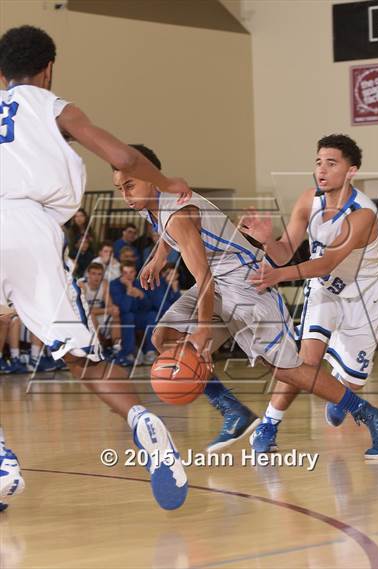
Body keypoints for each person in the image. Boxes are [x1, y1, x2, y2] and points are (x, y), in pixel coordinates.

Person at [0, 25, 191, 511]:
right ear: (48, 68)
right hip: (31, 225)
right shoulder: (54, 106)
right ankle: (143, 424)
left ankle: (2, 460)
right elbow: (122, 156)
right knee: (79, 358)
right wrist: (167, 181)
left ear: (2, 74)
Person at [113, 143, 378, 461]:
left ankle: (372, 416)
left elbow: (203, 275)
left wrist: (204, 329)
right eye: (119, 188)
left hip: (246, 285)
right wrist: (158, 256)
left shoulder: (178, 213)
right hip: (219, 284)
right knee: (163, 336)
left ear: (151, 178)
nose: (124, 194)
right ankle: (232, 410)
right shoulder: (156, 205)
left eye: (129, 185)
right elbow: (174, 237)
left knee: (287, 370)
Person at [239, 134, 378, 452]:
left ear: (351, 171)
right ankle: (269, 424)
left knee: (349, 387)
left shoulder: (362, 215)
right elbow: (284, 253)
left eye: (332, 163)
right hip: (324, 291)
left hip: (363, 297)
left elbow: (327, 262)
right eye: (318, 162)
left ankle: (342, 391)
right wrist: (268, 241)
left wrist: (278, 276)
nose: (322, 169)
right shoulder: (309, 199)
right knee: (304, 362)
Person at [110, 261, 157, 365]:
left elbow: (149, 306)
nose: (128, 275)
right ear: (121, 273)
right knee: (128, 316)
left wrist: (142, 296)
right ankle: (128, 353)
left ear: (135, 272)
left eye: (131, 272)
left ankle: (150, 351)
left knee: (152, 315)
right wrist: (129, 290)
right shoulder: (114, 285)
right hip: (122, 317)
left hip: (138, 315)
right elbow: (123, 309)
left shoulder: (140, 283)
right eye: (125, 272)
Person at [78, 263, 123, 360]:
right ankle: (99, 346)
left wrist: (112, 309)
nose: (96, 277)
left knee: (115, 313)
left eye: (99, 274)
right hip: (83, 317)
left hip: (98, 313)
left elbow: (109, 305)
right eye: (93, 274)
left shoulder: (104, 283)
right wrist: (107, 310)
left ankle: (116, 348)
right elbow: (85, 310)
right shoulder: (82, 285)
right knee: (91, 315)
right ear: (88, 274)